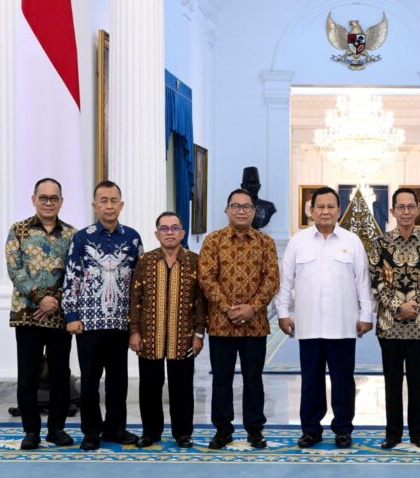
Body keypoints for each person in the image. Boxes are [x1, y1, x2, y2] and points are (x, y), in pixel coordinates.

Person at [276, 187, 374, 449]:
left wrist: (366, 314)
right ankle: (310, 429)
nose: (326, 211)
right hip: (308, 324)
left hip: (343, 324)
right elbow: (286, 281)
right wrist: (283, 312)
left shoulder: (352, 241)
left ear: (339, 210)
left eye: (331, 206)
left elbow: (362, 281)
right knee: (310, 380)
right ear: (311, 210)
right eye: (320, 206)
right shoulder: (298, 241)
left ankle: (343, 428)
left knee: (343, 380)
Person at [63, 180, 143, 451]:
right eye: (103, 201)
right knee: (89, 381)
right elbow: (71, 278)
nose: (109, 205)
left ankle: (115, 428)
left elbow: (139, 284)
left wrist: (137, 324)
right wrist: (71, 315)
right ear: (95, 205)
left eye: (114, 200)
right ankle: (91, 431)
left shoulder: (132, 238)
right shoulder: (82, 238)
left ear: (121, 205)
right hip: (88, 323)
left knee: (118, 381)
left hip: (120, 323)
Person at [198, 189, 279, 449]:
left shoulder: (265, 242)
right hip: (221, 324)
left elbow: (271, 279)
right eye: (235, 205)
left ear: (254, 211)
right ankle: (223, 430)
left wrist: (251, 308)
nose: (241, 210)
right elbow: (206, 278)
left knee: (253, 378)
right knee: (221, 379)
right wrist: (229, 307)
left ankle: (255, 430)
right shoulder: (213, 241)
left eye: (246, 206)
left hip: (255, 325)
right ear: (227, 210)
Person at [368, 187, 420, 450]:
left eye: (411, 206)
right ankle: (393, 433)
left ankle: (419, 433)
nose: (406, 212)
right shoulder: (380, 244)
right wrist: (399, 307)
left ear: (418, 208)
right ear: (393, 211)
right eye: (401, 207)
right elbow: (376, 282)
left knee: (417, 381)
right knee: (391, 381)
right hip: (389, 326)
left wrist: (415, 306)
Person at [5, 178, 77, 450]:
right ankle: (31, 431)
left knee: (61, 374)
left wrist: (54, 300)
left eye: (54, 198)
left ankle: (56, 430)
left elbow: (75, 274)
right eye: (43, 198)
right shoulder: (19, 231)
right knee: (28, 375)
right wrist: (39, 298)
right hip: (27, 315)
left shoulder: (72, 234)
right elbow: (15, 269)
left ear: (61, 201)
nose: (48, 203)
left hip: (59, 316)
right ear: (33, 199)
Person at [129, 212, 207, 449]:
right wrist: (134, 331)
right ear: (157, 234)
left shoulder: (195, 261)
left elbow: (201, 301)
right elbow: (135, 298)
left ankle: (183, 433)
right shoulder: (146, 261)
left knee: (182, 388)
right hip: (150, 336)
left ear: (182, 233)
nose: (169, 232)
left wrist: (198, 333)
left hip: (183, 337)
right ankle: (150, 432)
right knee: (150, 387)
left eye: (174, 228)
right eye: (164, 228)